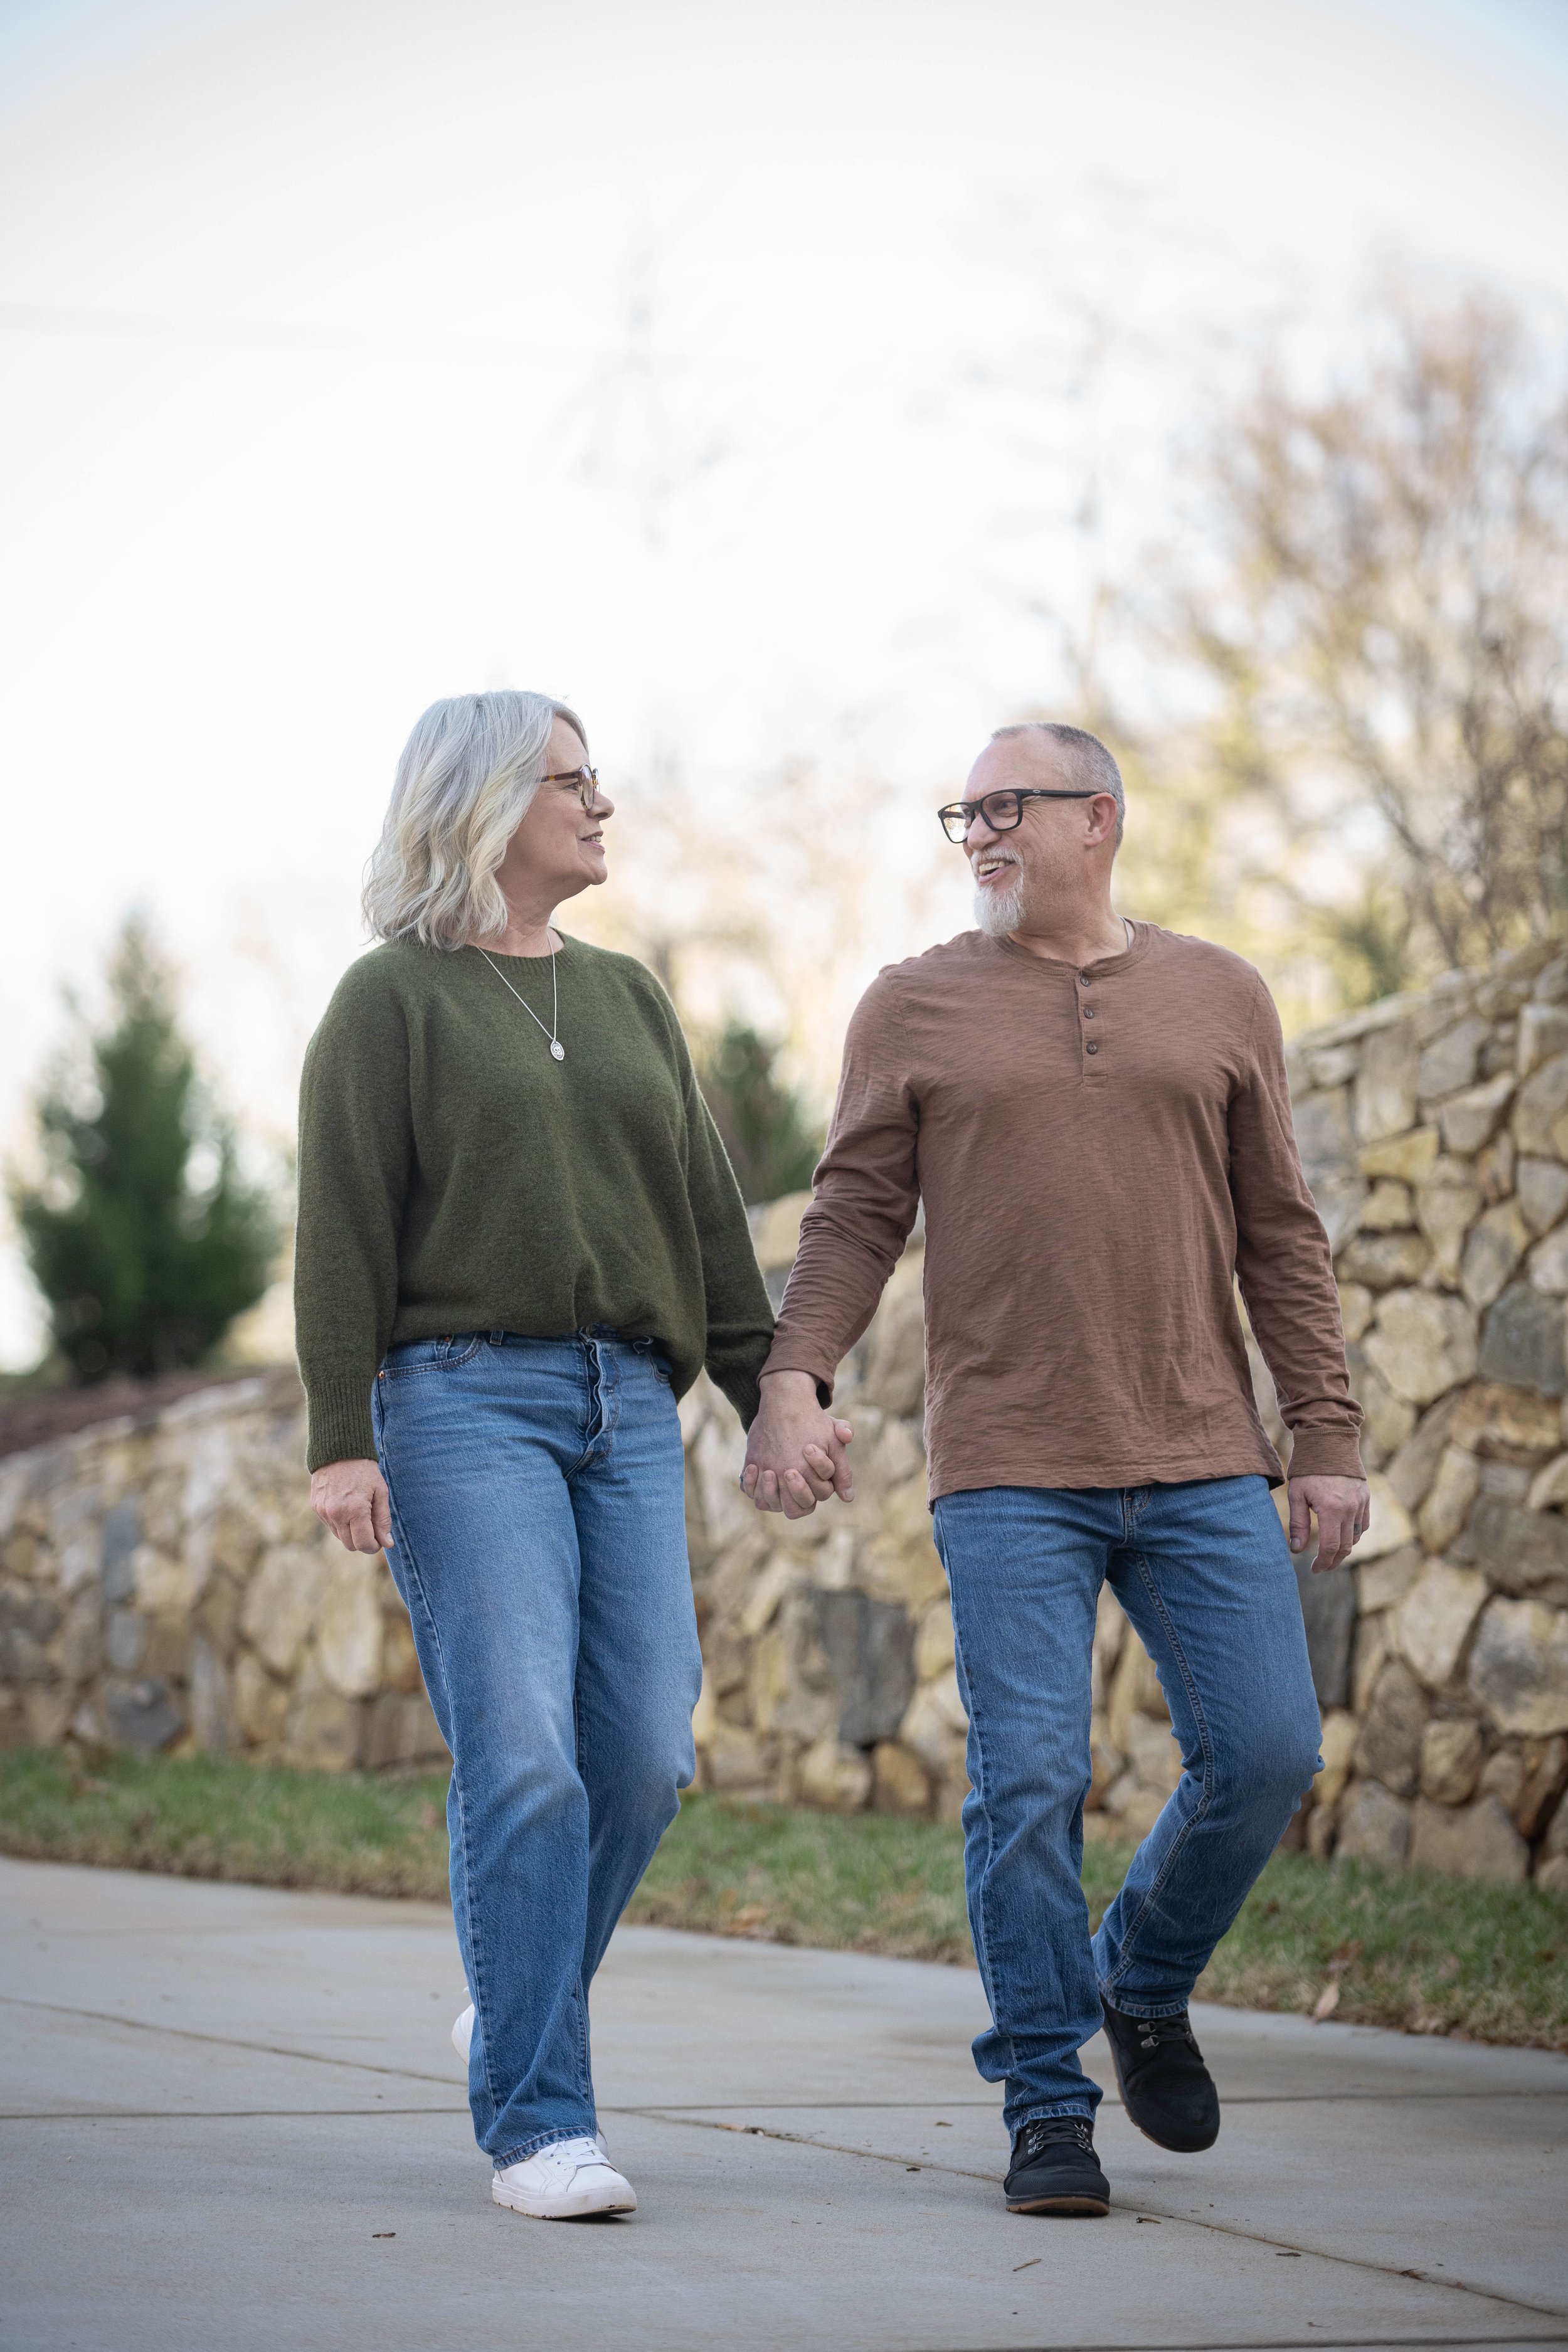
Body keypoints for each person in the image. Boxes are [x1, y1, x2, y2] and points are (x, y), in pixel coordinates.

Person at [742, 721, 1369, 2217]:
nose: (978, 838)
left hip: (1204, 1452)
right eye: (961, 817)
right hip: (1010, 1462)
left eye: (1003, 810)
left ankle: (1138, 1980)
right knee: (1026, 1780)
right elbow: (849, 1221)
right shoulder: (910, 1006)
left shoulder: (1220, 994)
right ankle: (1043, 2099)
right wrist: (790, 1372)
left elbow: (1280, 1234)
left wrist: (1323, 1435)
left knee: (1270, 1752)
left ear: (1098, 817)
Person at [295, 691, 842, 2220]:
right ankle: (539, 2124)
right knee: (521, 1758)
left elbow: (706, 1229)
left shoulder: (628, 999)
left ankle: (513, 1994)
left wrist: (771, 1394)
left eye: (597, 781)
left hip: (626, 1414)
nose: (601, 805)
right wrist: (343, 1440)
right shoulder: (387, 1001)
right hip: (459, 1404)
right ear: (478, 805)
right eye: (569, 781)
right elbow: (337, 1232)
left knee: (646, 1754)